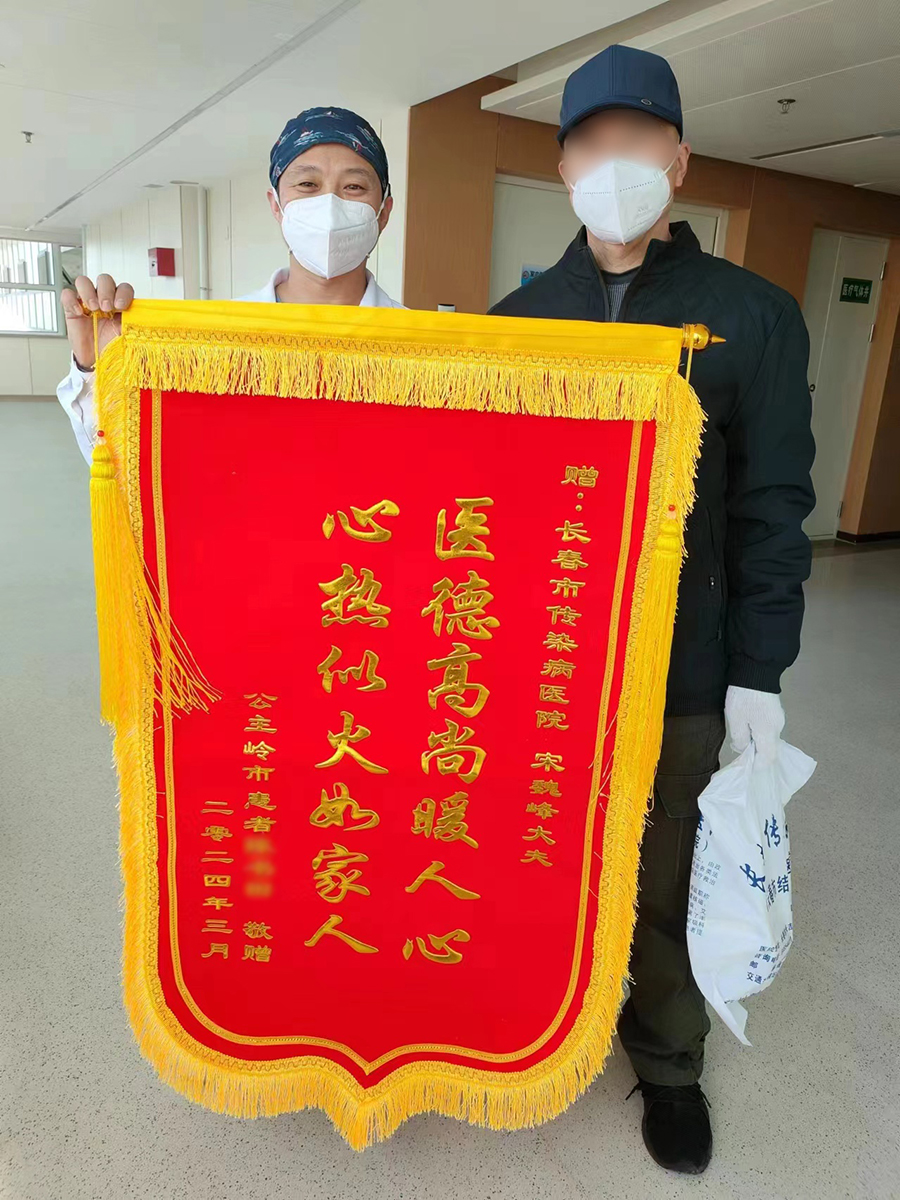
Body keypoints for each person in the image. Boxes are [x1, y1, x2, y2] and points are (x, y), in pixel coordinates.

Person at [491, 45, 815, 1176]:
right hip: (548, 663)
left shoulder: (752, 317)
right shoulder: (521, 319)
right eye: (591, 142)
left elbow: (774, 507)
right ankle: (535, 1032)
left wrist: (759, 670)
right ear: (564, 167)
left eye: (637, 139)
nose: (613, 160)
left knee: (667, 871)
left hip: (683, 662)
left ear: (677, 160)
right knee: (540, 854)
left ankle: (669, 1062)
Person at [57, 107, 402, 462]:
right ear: (276, 206)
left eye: (354, 187)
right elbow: (138, 464)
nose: (329, 205)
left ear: (384, 211)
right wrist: (97, 368)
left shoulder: (427, 356)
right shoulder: (212, 344)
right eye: (307, 185)